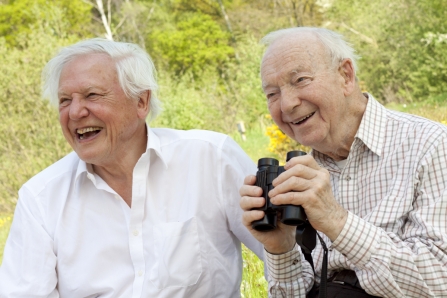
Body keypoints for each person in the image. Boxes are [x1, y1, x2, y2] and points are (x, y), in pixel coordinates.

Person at [0, 38, 265, 297]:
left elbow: (285, 255)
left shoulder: (212, 158)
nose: (75, 112)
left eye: (92, 95)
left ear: (141, 102)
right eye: (65, 100)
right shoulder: (40, 199)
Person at [239, 27, 447, 298]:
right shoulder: (302, 175)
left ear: (345, 76)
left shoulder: (431, 144)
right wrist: (281, 248)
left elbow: (440, 279)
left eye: (300, 79)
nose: (287, 104)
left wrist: (337, 221)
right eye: (272, 94)